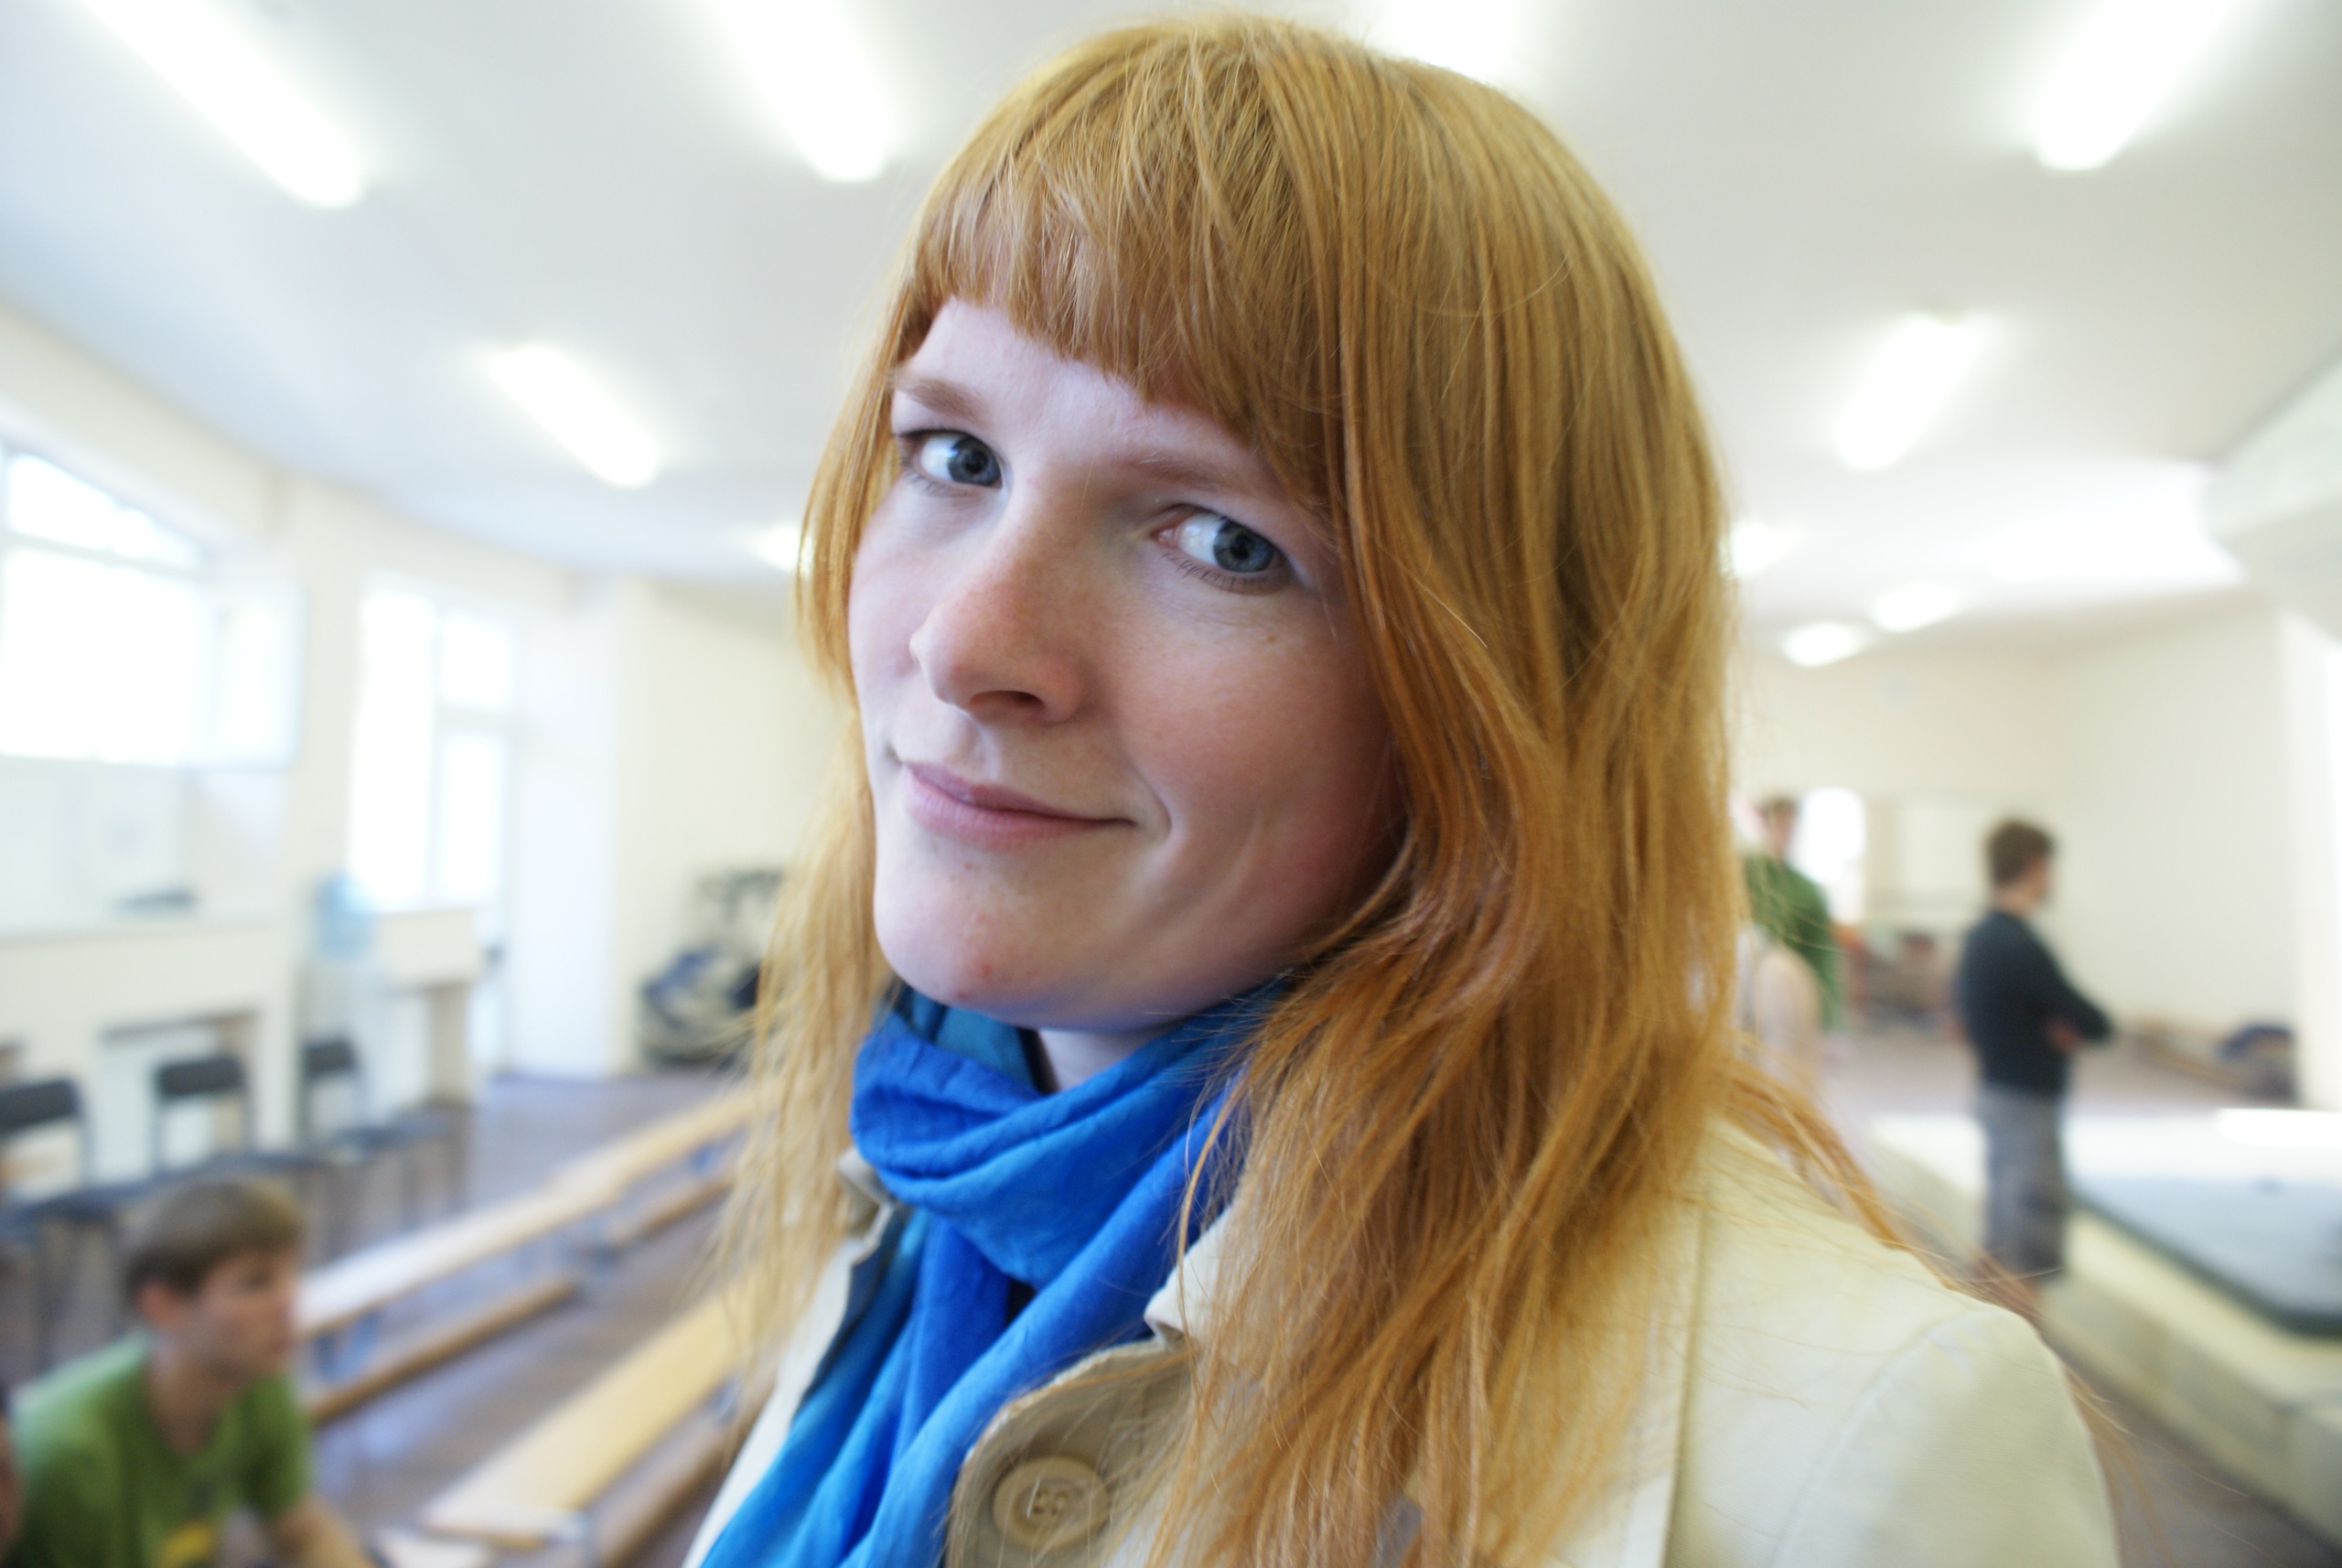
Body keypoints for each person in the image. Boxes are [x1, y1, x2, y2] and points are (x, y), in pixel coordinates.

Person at [692, 18, 2115, 1567]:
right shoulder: (924, 1173)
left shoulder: (1862, 1446)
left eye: (1224, 539)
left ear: (1498, 697)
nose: (964, 644)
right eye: (955, 455)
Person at [7, 1179, 371, 1568]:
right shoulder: (70, 1454)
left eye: (291, 1275)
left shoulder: (256, 1384)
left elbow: (302, 1532)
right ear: (162, 1306)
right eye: (255, 1283)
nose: (288, 1302)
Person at [1954, 820, 2112, 1320]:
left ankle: (1984, 1341)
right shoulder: (2018, 946)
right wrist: (2059, 1027)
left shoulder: (1981, 939)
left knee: (2002, 1236)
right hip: (2024, 1103)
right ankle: (2024, 1358)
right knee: (2025, 1247)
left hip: (1997, 1094)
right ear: (2035, 867)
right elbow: (2091, 1020)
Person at [1743, 794, 1843, 1027]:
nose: (1785, 833)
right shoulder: (1740, 874)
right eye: (1779, 824)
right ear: (1763, 824)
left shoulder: (1808, 890)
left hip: (1785, 997)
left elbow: (1822, 958)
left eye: (1790, 826)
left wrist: (1831, 1023)